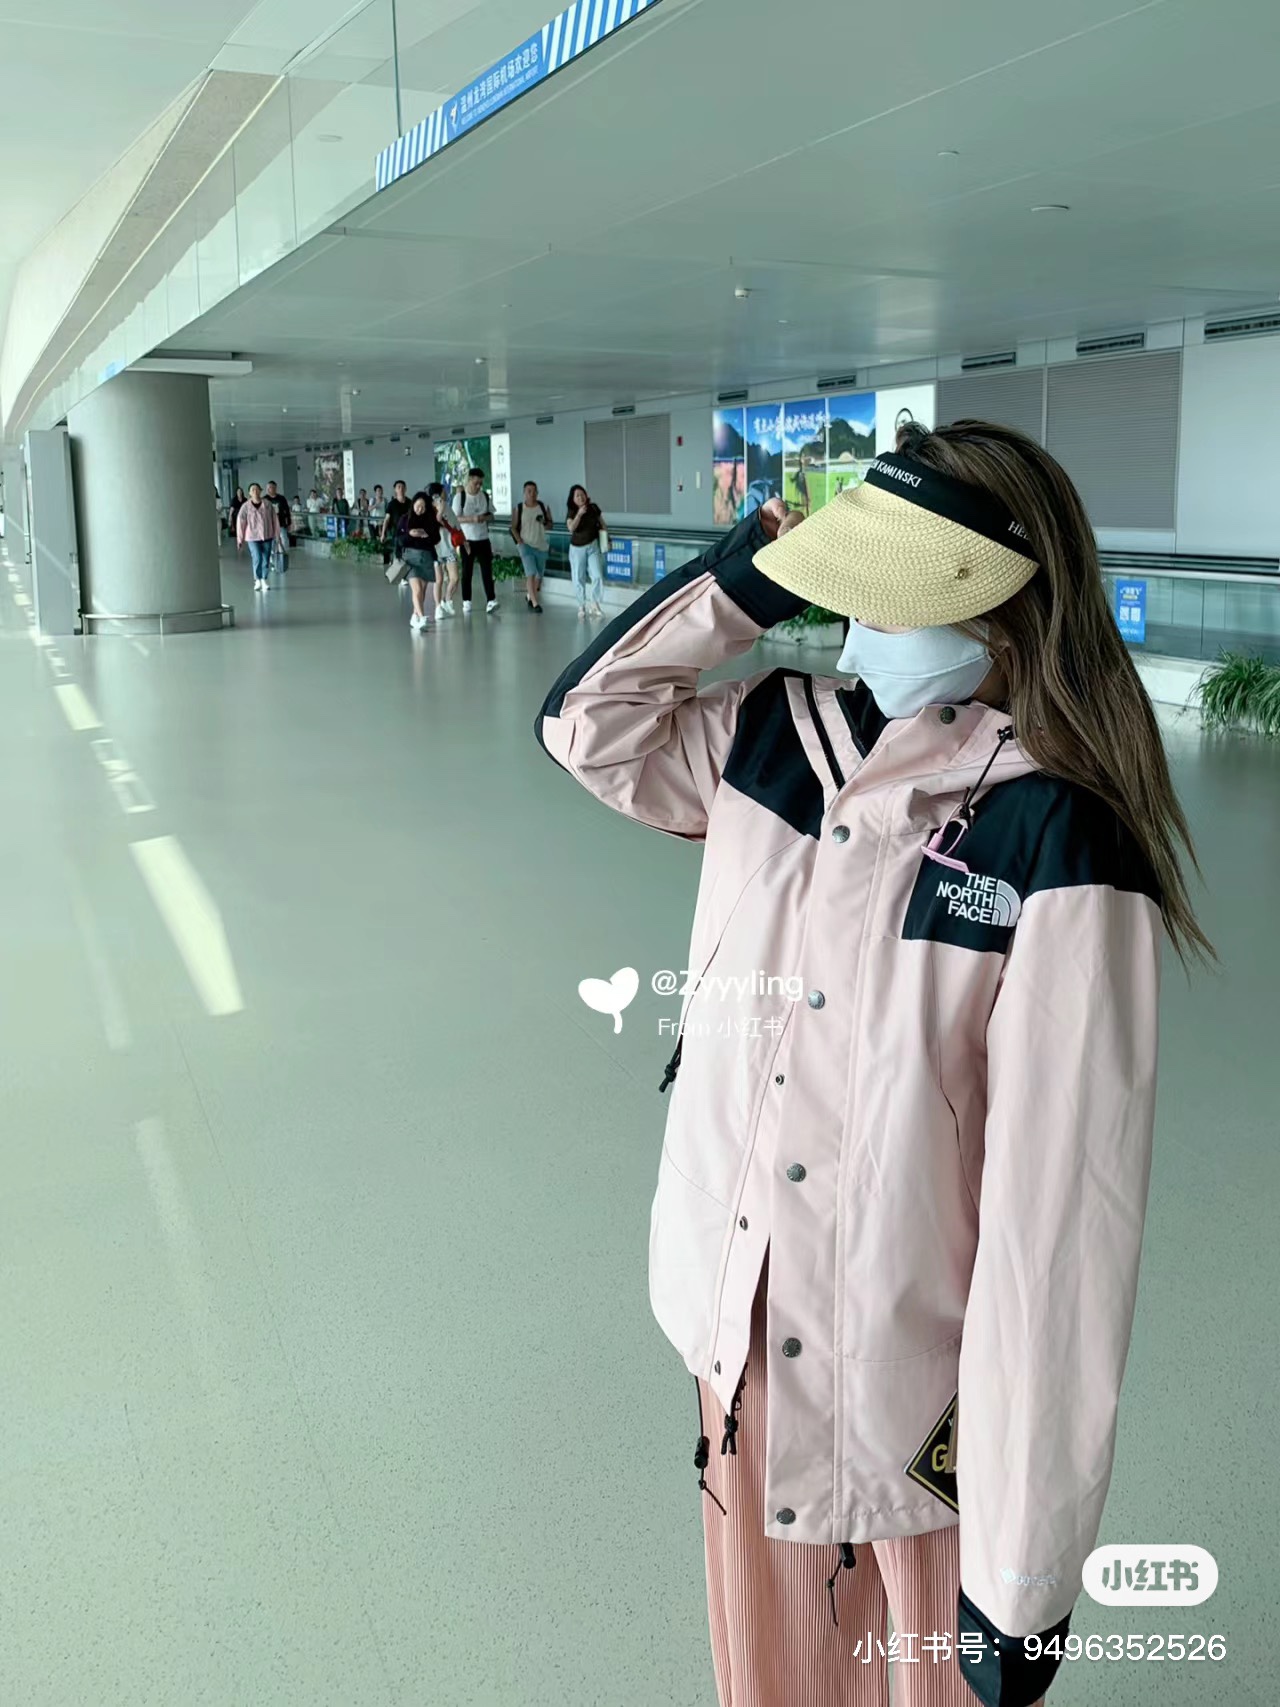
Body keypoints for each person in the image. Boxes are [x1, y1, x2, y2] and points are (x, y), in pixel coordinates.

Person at [535, 419, 1210, 1707]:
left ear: (997, 611)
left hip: (919, 1410)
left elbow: (1057, 1238)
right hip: (740, 1342)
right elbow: (590, 728)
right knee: (769, 1677)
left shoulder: (1055, 841)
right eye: (847, 593)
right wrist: (744, 579)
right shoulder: (769, 738)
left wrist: (1021, 1573)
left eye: (884, 596)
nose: (854, 632)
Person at [454, 467, 498, 614]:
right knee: (467, 572)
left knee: (487, 571)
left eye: (480, 483)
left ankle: (491, 599)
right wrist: (472, 519)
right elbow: (455, 519)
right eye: (476, 483)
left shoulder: (484, 496)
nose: (478, 486)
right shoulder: (460, 498)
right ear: (469, 480)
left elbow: (492, 515)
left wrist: (483, 518)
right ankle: (466, 601)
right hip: (467, 540)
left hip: (483, 539)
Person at [395, 491, 440, 633]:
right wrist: (410, 534)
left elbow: (436, 539)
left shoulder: (430, 520)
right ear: (413, 504)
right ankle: (421, 617)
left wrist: (426, 535)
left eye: (423, 507)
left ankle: (415, 617)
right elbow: (398, 539)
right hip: (410, 558)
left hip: (426, 558)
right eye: (418, 506)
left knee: (422, 591)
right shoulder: (405, 519)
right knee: (417, 589)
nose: (419, 509)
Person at [511, 480, 551, 613]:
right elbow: (513, 527)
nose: (532, 494)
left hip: (541, 545)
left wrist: (544, 522)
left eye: (534, 491)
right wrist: (519, 541)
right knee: (531, 573)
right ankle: (535, 603)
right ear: (524, 493)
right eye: (529, 491)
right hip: (526, 545)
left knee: (539, 576)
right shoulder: (519, 508)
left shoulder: (543, 507)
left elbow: (550, 525)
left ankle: (530, 595)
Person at [566, 484, 605, 619]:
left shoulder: (593, 508)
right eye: (577, 496)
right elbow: (571, 528)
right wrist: (579, 514)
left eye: (582, 494)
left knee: (597, 574)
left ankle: (594, 603)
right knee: (578, 577)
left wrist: (607, 539)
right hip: (577, 548)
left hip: (593, 545)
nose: (581, 497)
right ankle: (581, 605)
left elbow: (602, 524)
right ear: (573, 499)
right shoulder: (572, 511)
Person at [235, 481, 281, 591]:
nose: (255, 491)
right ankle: (257, 579)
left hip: (267, 535)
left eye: (257, 489)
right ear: (249, 493)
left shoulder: (267, 504)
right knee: (257, 557)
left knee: (266, 558)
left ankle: (264, 579)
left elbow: (274, 520)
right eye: (252, 490)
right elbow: (240, 522)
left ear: (260, 491)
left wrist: (277, 535)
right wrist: (240, 539)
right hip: (252, 537)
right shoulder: (245, 507)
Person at [428, 482, 461, 617]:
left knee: (455, 578)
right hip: (436, 548)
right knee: (439, 580)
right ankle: (438, 607)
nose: (446, 493)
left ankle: (447, 599)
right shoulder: (432, 507)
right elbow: (437, 519)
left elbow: (455, 524)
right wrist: (439, 509)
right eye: (444, 491)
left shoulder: (446, 505)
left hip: (449, 547)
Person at [381, 479, 411, 567]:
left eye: (403, 487)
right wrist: (383, 534)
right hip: (396, 533)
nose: (401, 489)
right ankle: (397, 571)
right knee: (397, 554)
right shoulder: (392, 504)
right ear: (395, 490)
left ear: (405, 489)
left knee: (408, 553)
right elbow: (387, 519)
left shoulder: (410, 503)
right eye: (399, 487)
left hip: (409, 533)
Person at [265, 481, 291, 575]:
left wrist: (289, 523)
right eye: (268, 488)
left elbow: (287, 510)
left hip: (281, 523)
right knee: (271, 543)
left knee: (284, 540)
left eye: (271, 487)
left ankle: (283, 557)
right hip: (269, 525)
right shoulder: (265, 499)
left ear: (275, 488)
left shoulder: (281, 498)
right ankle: (273, 561)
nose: (269, 489)